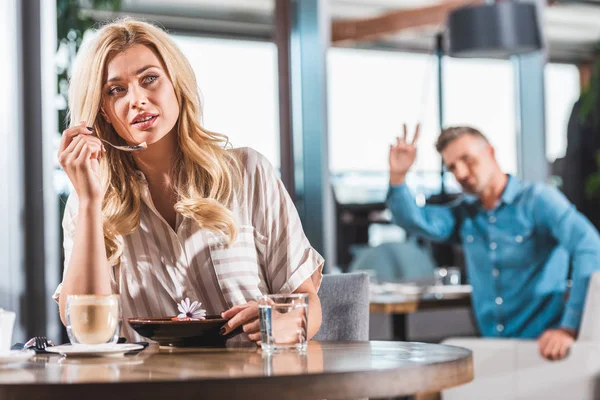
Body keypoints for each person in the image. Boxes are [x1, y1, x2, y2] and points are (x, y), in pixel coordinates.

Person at [53, 18, 323, 342]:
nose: (136, 99)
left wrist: (280, 322)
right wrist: (89, 203)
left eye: (149, 79)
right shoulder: (89, 203)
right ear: (104, 111)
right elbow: (87, 334)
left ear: (176, 84)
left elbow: (308, 304)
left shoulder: (248, 172)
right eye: (116, 90)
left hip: (249, 384)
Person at [388, 124, 600, 361]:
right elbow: (416, 221)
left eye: (467, 160)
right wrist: (397, 178)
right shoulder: (465, 215)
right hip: (493, 348)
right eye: (452, 167)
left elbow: (589, 247)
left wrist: (568, 327)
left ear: (490, 152)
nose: (461, 173)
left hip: (542, 348)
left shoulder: (537, 201)